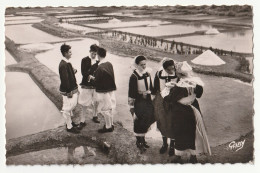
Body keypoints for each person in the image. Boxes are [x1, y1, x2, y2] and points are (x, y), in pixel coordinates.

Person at [164, 61, 211, 163]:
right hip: (193, 109)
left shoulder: (180, 86)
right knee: (192, 132)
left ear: (179, 73)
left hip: (181, 112)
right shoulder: (196, 82)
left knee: (180, 132)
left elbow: (170, 99)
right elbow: (198, 95)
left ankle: (179, 156)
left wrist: (167, 90)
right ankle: (193, 156)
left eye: (175, 70)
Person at [128, 55, 155, 153]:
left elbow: (151, 87)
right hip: (139, 102)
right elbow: (131, 93)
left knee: (148, 119)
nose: (144, 66)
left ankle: (143, 139)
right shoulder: (134, 76)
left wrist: (152, 94)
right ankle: (138, 141)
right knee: (139, 120)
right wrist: (131, 107)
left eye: (145, 64)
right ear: (136, 65)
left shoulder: (147, 73)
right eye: (141, 65)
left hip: (148, 101)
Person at [152, 58, 179, 156]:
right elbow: (155, 88)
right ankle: (164, 144)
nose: (171, 71)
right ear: (164, 69)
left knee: (172, 123)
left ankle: (172, 146)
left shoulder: (178, 73)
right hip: (162, 101)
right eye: (168, 70)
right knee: (162, 122)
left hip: (173, 101)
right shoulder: (159, 73)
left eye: (172, 68)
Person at [94, 47, 117, 133]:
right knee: (110, 107)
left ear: (98, 55)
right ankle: (111, 124)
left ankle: (108, 127)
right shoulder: (109, 64)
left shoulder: (100, 67)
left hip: (104, 91)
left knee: (105, 109)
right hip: (111, 89)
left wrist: (92, 78)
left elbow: (97, 81)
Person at [59, 43, 80, 134]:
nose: (71, 53)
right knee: (68, 108)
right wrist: (69, 91)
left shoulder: (66, 63)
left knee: (71, 106)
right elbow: (65, 80)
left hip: (71, 88)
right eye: (70, 52)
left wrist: (73, 71)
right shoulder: (63, 64)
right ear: (65, 53)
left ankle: (70, 123)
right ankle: (69, 127)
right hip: (69, 90)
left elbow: (68, 75)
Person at [78, 44, 100, 125]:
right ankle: (82, 120)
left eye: (95, 54)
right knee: (84, 103)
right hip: (86, 85)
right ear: (89, 51)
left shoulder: (98, 62)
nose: (94, 55)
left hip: (95, 84)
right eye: (93, 53)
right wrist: (89, 75)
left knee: (96, 101)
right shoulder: (84, 60)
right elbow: (83, 72)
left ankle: (95, 115)